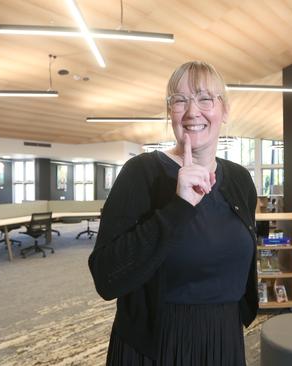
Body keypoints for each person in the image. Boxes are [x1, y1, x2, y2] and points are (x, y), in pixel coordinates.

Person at [88, 61, 258, 365]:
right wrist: (177, 207)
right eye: (180, 100)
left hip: (223, 337)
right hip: (158, 342)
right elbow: (106, 276)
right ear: (170, 112)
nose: (193, 112)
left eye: (205, 98)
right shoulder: (141, 173)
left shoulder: (240, 180)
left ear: (225, 111)